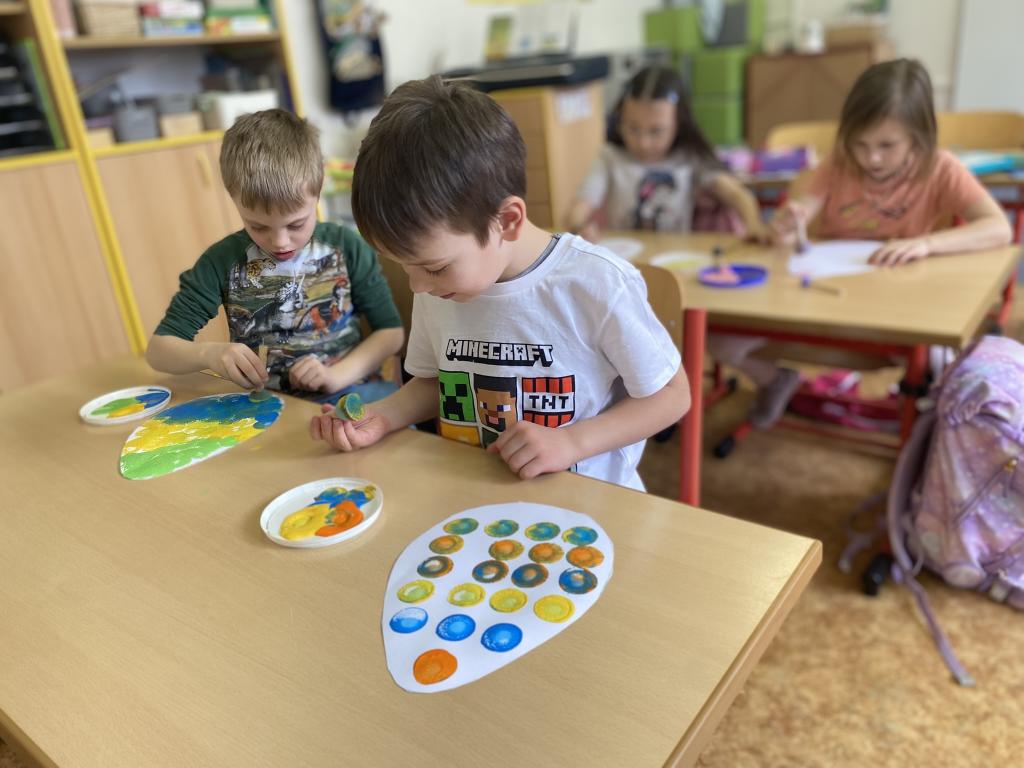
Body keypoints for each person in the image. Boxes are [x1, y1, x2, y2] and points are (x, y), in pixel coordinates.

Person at [309, 76, 690, 490]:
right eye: (404, 267)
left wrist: (572, 442)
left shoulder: (597, 284)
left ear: (507, 221)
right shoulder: (440, 286)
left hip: (588, 502)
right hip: (475, 497)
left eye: (433, 267)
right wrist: (383, 416)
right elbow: (437, 384)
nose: (416, 286)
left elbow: (672, 395)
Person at [713, 58, 1013, 430]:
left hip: (894, 307)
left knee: (939, 361)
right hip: (828, 300)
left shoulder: (940, 167)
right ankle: (775, 380)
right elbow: (797, 218)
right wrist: (788, 225)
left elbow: (998, 228)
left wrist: (926, 244)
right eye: (860, 144)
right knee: (717, 334)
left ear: (918, 136)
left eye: (887, 145)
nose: (871, 158)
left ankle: (922, 424)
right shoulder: (838, 164)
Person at [146, 109, 404, 404]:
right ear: (233, 198)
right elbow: (158, 351)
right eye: (258, 226)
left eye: (296, 224)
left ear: (318, 192)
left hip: (352, 395)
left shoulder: (347, 247)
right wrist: (210, 354)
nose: (280, 242)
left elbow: (391, 333)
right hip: (269, 407)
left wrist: (337, 376)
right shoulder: (221, 262)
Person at [566, 65, 767, 241]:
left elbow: (736, 194)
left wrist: (754, 225)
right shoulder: (609, 157)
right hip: (624, 259)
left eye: (656, 131)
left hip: (677, 257)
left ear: (678, 125)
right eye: (633, 128)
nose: (643, 143)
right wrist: (579, 228)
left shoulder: (689, 157)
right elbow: (580, 206)